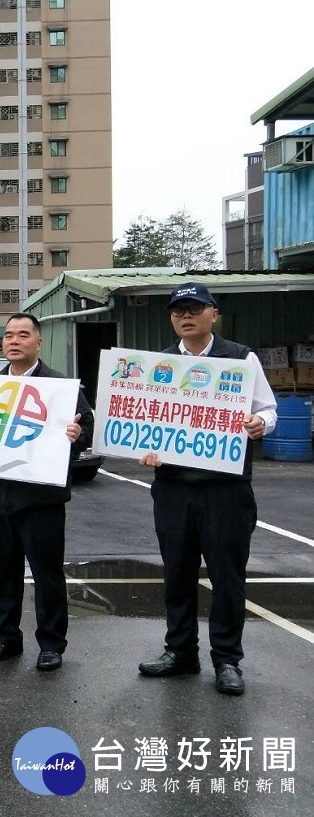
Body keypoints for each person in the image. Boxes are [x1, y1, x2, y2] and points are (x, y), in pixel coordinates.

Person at [137, 283, 276, 696]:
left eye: (195, 308)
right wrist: (144, 449)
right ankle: (180, 652)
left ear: (213, 314)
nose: (186, 316)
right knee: (176, 574)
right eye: (178, 310)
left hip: (226, 490)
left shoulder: (239, 357)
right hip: (174, 488)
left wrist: (258, 424)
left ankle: (227, 660)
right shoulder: (157, 364)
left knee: (227, 576)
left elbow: (267, 409)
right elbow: (144, 421)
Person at [0, 312, 92, 672]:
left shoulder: (60, 388)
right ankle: (6, 637)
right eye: (8, 335)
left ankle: (52, 644)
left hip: (42, 499)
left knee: (47, 574)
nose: (14, 340)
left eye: (23, 335)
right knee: (2, 572)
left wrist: (77, 436)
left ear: (38, 343)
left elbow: (85, 426)